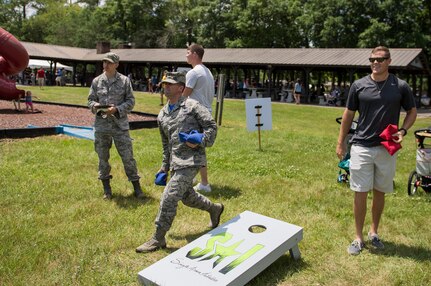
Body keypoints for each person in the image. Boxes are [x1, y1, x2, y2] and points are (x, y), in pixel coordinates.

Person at [336, 46, 417, 256]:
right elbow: (348, 113)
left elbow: (412, 111)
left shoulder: (400, 86)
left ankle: (374, 232)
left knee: (380, 191)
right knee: (360, 192)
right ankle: (358, 237)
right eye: (372, 59)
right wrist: (340, 141)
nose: (375, 62)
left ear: (389, 61)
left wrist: (403, 130)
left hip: (386, 148)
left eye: (380, 59)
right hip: (361, 146)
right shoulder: (359, 85)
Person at [135, 72, 224, 253]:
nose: (166, 86)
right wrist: (164, 166)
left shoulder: (192, 106)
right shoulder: (162, 115)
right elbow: (165, 145)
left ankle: (158, 238)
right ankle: (215, 209)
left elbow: (211, 127)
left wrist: (200, 139)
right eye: (164, 84)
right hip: (176, 162)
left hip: (192, 161)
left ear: (181, 88)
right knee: (187, 197)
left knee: (169, 196)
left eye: (170, 84)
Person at [87, 52, 144, 200]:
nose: (106, 65)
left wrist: (117, 109)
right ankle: (107, 189)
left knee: (128, 157)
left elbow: (131, 101)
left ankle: (137, 188)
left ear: (116, 64)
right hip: (102, 126)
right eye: (104, 62)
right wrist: (96, 106)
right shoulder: (96, 81)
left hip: (120, 126)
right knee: (103, 158)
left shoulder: (125, 81)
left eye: (109, 63)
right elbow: (90, 101)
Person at [182, 43, 215, 193]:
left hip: (196, 114)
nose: (186, 55)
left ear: (195, 54)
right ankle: (193, 178)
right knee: (193, 146)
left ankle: (204, 184)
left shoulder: (193, 73)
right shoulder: (208, 71)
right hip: (206, 112)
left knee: (194, 147)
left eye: (188, 52)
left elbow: (184, 94)